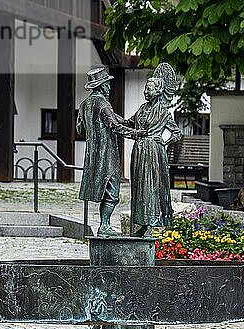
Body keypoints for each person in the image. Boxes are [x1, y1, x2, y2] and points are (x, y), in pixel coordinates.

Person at [77, 66, 147, 237]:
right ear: (101, 86)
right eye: (107, 84)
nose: (109, 87)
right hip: (107, 155)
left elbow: (80, 128)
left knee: (104, 191)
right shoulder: (102, 103)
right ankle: (104, 225)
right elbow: (114, 125)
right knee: (112, 193)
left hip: (93, 155)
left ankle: (104, 225)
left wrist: (133, 122)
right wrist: (135, 134)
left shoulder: (84, 104)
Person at [127, 63, 182, 237]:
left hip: (152, 152)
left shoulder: (164, 113)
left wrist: (163, 143)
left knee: (150, 186)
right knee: (138, 186)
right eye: (145, 88)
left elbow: (177, 133)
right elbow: (129, 123)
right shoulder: (142, 109)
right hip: (139, 151)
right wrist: (112, 119)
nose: (145, 92)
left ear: (158, 91)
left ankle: (150, 223)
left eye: (148, 89)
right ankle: (141, 223)